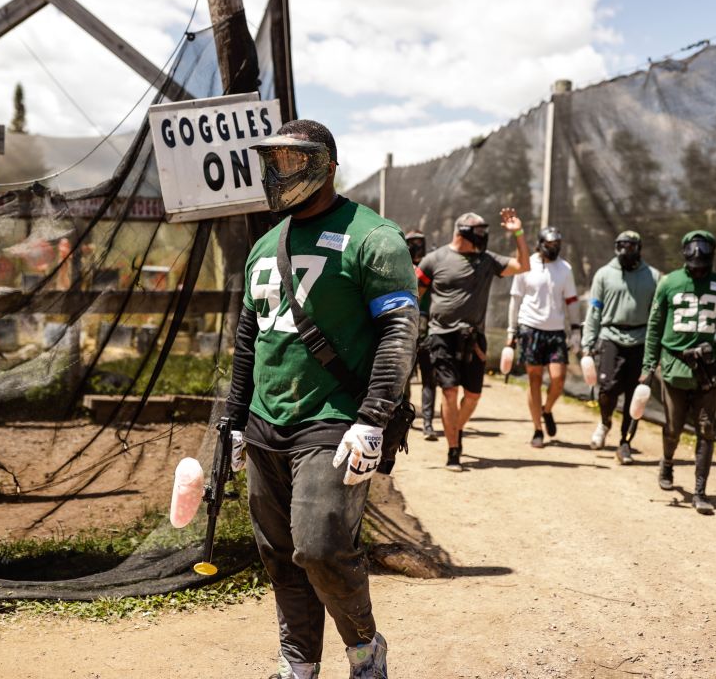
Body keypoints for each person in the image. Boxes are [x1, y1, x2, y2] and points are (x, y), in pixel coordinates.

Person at [224, 119, 418, 678]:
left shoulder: (373, 237)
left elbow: (400, 331)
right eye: (274, 161)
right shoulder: (266, 243)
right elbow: (248, 338)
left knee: (318, 545)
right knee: (279, 553)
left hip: (335, 420)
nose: (281, 172)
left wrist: (374, 418)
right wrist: (236, 419)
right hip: (266, 422)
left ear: (327, 165)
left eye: (294, 160)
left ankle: (364, 650)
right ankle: (298, 665)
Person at [640, 229, 716, 515]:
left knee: (706, 429)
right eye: (694, 267)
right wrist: (648, 365)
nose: (699, 272)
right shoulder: (669, 283)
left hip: (706, 370)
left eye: (703, 267)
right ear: (685, 259)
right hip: (674, 367)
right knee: (674, 428)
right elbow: (654, 327)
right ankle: (667, 462)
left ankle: (700, 492)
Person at [417, 210, 530, 470]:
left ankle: (453, 428)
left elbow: (523, 266)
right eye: (478, 232)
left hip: (474, 339)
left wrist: (519, 234)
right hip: (441, 336)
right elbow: (415, 293)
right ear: (462, 233)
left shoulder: (487, 260)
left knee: (473, 396)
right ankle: (453, 449)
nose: (483, 237)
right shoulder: (434, 260)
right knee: (449, 390)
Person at [581, 230, 661, 464]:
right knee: (607, 390)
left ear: (639, 248)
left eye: (631, 247)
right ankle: (605, 422)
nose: (626, 251)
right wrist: (588, 343)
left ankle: (625, 443)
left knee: (635, 395)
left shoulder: (654, 277)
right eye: (622, 246)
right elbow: (594, 311)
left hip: (640, 339)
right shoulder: (604, 275)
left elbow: (657, 317)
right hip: (610, 337)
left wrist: (656, 347)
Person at [506, 226, 581, 448]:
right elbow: (515, 300)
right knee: (535, 380)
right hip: (530, 329)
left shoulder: (565, 269)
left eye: (557, 245)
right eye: (550, 245)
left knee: (558, 379)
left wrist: (576, 330)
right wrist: (512, 331)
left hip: (556, 331)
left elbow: (572, 301)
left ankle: (547, 410)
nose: (554, 249)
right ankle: (537, 429)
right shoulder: (526, 266)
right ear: (540, 244)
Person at [404, 230, 438, 441]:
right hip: (407, 326)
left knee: (429, 376)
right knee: (404, 376)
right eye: (412, 243)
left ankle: (428, 422)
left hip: (429, 326)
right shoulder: (401, 266)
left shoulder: (432, 267)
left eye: (420, 242)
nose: (417, 246)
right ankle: (405, 417)